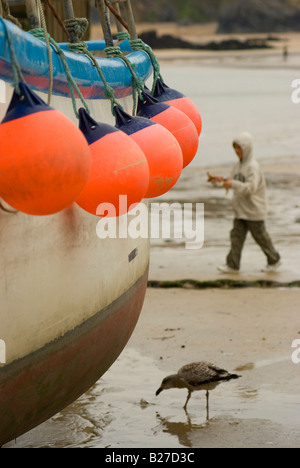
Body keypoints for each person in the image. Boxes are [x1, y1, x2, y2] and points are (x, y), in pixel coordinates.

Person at [208, 132, 281, 274]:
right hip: (240, 210)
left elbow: (250, 188)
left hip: (254, 211)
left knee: (261, 238)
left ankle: (274, 260)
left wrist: (232, 183)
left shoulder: (253, 167)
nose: (237, 151)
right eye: (235, 148)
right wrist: (220, 180)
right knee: (236, 237)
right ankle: (233, 265)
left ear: (247, 148)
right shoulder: (237, 166)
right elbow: (232, 181)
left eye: (239, 148)